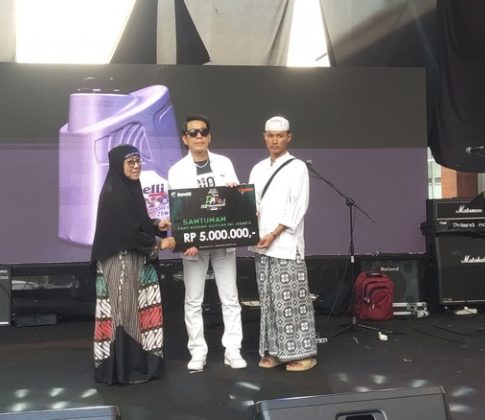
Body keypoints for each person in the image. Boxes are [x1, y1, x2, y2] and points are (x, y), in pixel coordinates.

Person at [90, 144, 176, 385]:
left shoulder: (127, 189)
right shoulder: (114, 194)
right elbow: (125, 232)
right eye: (131, 162)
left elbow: (134, 223)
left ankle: (138, 365)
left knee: (136, 314)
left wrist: (155, 225)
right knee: (124, 315)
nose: (137, 166)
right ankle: (125, 369)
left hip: (133, 262)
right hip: (121, 265)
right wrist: (160, 243)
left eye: (139, 161)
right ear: (118, 166)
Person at [167, 115, 246, 371]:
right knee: (193, 300)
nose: (199, 136)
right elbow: (178, 209)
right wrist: (184, 238)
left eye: (203, 132)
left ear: (209, 136)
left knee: (230, 298)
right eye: (193, 133)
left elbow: (235, 201)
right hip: (194, 247)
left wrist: (235, 191)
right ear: (185, 139)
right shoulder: (177, 170)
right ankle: (198, 351)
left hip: (223, 242)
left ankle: (232, 350)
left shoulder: (224, 163)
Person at [248, 116, 317, 372]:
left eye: (280, 135)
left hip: (286, 245)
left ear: (289, 137)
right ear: (264, 137)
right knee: (268, 300)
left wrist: (274, 233)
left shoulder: (297, 167)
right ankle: (275, 351)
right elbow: (252, 204)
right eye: (270, 135)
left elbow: (298, 207)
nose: (274, 140)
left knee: (291, 301)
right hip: (261, 244)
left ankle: (303, 354)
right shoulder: (257, 169)